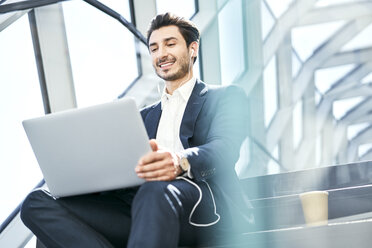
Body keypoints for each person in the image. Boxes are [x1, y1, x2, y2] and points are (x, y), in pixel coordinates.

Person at [20, 12, 253, 247]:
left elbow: (225, 148)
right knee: (37, 202)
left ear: (193, 49)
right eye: (153, 48)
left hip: (202, 206)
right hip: (137, 207)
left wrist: (179, 161)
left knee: (155, 190)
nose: (161, 54)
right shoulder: (140, 117)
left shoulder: (224, 97)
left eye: (170, 44)